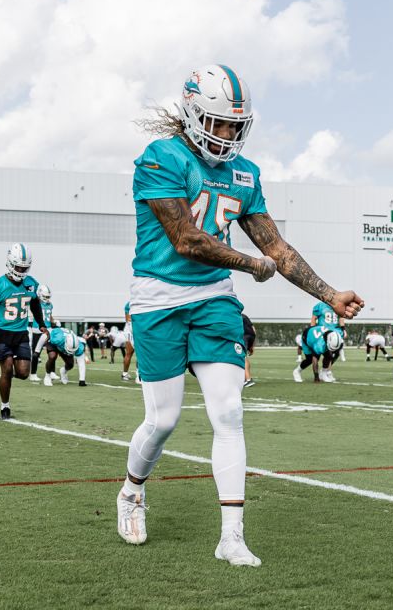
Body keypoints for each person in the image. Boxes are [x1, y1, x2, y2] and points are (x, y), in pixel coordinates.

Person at [116, 64, 363, 567]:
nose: (226, 134)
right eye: (218, 122)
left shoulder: (245, 174)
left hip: (214, 300)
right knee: (162, 420)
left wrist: (329, 293)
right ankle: (132, 492)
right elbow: (187, 239)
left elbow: (279, 249)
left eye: (235, 125)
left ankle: (231, 536)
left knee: (228, 412)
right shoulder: (161, 158)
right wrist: (251, 264)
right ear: (191, 114)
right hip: (158, 301)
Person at [0, 244, 47, 417]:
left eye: (25, 267)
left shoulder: (31, 283)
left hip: (21, 333)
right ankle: (5, 406)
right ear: (10, 263)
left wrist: (41, 323)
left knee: (22, 373)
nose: (21, 270)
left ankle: (5, 378)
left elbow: (35, 303)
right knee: (6, 369)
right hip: (1, 333)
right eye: (18, 266)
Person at [122, 302, 137, 383]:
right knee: (140, 353)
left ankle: (124, 374)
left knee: (128, 353)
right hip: (134, 328)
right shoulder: (140, 302)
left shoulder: (129, 303)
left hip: (128, 328)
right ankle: (139, 376)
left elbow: (127, 319)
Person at [240, 313, 256, 388]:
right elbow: (253, 329)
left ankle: (248, 380)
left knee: (243, 357)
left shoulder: (233, 316)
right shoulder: (244, 315)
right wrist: (252, 345)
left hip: (243, 336)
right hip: (251, 336)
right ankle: (245, 378)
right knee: (244, 357)